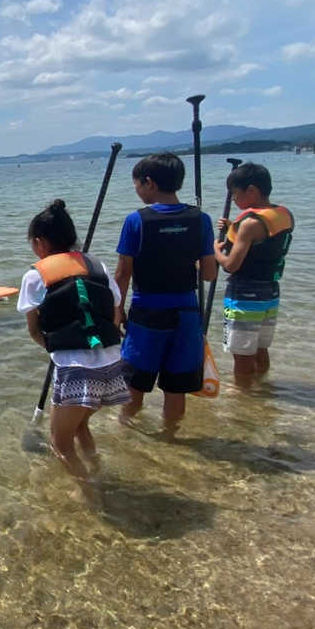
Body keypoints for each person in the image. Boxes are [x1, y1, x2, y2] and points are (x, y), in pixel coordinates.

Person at [19, 199, 129, 480]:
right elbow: (115, 313)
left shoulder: (35, 276)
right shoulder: (97, 265)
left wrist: (58, 350)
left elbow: (35, 331)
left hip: (76, 370)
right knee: (80, 426)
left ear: (40, 242)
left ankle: (92, 498)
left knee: (60, 444)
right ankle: (97, 471)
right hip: (113, 366)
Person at [113, 153, 217, 436]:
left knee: (135, 385)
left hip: (147, 314)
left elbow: (123, 272)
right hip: (187, 314)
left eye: (136, 183)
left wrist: (116, 310)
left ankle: (126, 434)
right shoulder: (201, 219)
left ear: (149, 183)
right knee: (176, 388)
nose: (136, 189)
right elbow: (209, 274)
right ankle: (170, 437)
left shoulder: (136, 221)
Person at [213, 162, 294, 388]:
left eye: (235, 194)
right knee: (259, 347)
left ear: (251, 190)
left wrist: (216, 251)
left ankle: (243, 393)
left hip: (245, 294)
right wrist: (232, 227)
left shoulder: (248, 224)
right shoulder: (284, 214)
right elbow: (263, 241)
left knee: (241, 353)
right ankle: (262, 383)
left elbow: (231, 265)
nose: (233, 200)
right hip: (270, 290)